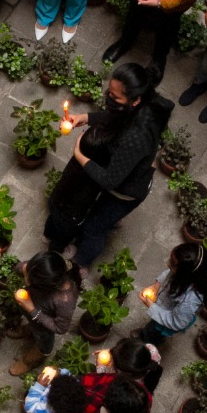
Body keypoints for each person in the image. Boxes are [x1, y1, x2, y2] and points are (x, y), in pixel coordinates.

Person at [45, 62, 173, 270]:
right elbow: (116, 116)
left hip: (125, 191)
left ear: (135, 100)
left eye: (115, 97)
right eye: (109, 92)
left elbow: (109, 180)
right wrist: (85, 118)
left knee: (94, 229)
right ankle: (112, 218)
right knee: (100, 212)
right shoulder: (140, 104)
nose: (109, 99)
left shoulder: (136, 137)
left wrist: (80, 156)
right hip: (123, 173)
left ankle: (81, 264)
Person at [8, 252, 81, 376]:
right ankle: (28, 331)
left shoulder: (64, 300)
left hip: (44, 325)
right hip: (31, 310)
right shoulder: (44, 267)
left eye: (30, 280)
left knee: (43, 343)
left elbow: (60, 328)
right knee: (32, 326)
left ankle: (30, 361)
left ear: (48, 286)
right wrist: (25, 268)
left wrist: (32, 309)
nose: (26, 281)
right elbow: (19, 268)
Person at [136, 242, 207, 347]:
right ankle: (146, 334)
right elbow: (168, 273)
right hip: (164, 307)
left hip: (169, 319)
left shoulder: (189, 302)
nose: (167, 264)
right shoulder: (184, 273)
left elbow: (175, 322)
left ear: (185, 273)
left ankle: (147, 340)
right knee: (152, 326)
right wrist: (157, 285)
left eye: (172, 264)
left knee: (154, 332)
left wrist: (151, 306)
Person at [22, 369, 87, 413]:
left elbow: (29, 407)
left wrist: (39, 386)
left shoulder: (47, 410)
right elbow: (68, 375)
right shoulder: (75, 390)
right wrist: (59, 371)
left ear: (49, 400)